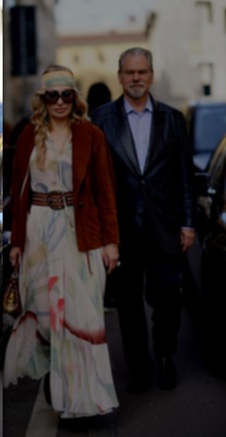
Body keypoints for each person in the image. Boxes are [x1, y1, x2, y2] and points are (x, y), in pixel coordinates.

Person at [3, 64, 120, 426]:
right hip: (39, 232)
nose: (59, 101)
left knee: (82, 318)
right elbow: (17, 195)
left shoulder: (91, 135)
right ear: (43, 99)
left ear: (74, 98)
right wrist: (16, 242)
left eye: (65, 95)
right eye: (52, 95)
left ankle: (86, 404)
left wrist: (111, 242)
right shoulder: (28, 137)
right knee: (46, 317)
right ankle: (61, 384)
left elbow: (105, 193)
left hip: (80, 231)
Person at [90, 47, 195, 393]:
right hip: (122, 231)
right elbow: (95, 181)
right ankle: (140, 368)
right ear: (120, 76)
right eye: (130, 72)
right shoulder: (102, 119)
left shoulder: (172, 119)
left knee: (168, 300)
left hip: (165, 228)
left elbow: (184, 175)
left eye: (142, 72)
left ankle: (165, 357)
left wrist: (188, 223)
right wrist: (102, 234)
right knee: (129, 305)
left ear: (151, 75)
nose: (136, 78)